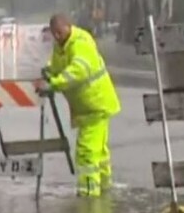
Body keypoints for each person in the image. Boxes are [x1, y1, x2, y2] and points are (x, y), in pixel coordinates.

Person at [36, 14, 121, 197]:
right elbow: (59, 65)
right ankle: (104, 188)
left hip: (95, 105)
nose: (57, 36)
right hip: (91, 106)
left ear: (68, 27)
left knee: (86, 152)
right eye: (54, 33)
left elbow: (77, 72)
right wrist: (50, 71)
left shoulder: (80, 43)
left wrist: (53, 84)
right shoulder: (62, 45)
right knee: (99, 152)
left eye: (59, 32)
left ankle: (89, 194)